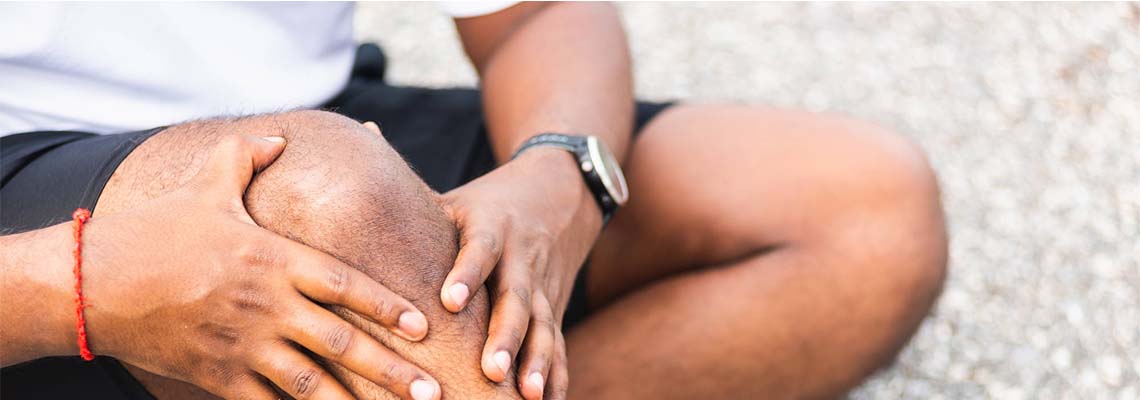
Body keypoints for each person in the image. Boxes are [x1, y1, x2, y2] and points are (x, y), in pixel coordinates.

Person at [0, 2, 948, 399]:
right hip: (31, 198)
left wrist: (562, 179)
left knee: (862, 215)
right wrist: (81, 283)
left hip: (321, 124)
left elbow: (537, 16)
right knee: (329, 204)